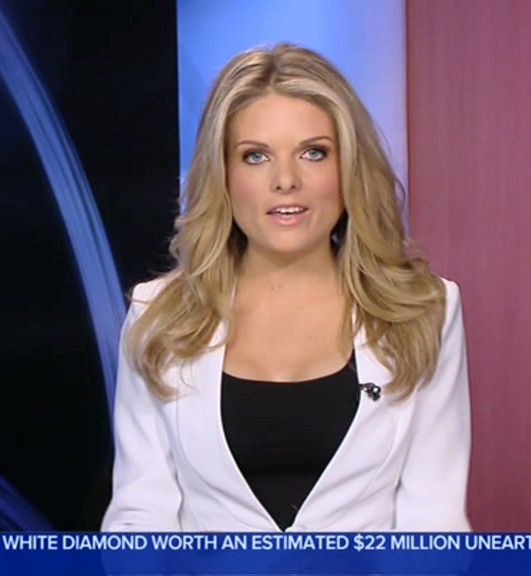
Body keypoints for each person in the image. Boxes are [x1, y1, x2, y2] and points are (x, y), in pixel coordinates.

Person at [101, 43, 471, 532]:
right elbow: (139, 514)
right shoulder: (158, 316)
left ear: (348, 167)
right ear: (223, 175)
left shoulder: (425, 311)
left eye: (313, 153)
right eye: (255, 156)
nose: (286, 180)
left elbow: (435, 521)